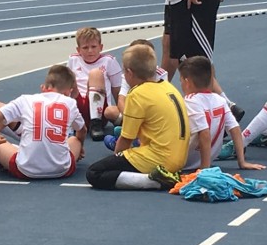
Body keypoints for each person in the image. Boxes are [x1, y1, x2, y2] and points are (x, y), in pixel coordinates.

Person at [85, 44, 190, 191]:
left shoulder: (138, 94)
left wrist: (117, 158)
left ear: (129, 72)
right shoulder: (168, 87)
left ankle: (155, 181)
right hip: (179, 158)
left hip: (159, 159)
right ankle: (161, 175)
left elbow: (126, 139)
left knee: (94, 172)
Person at [0, 65, 86, 179]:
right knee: (74, 139)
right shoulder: (70, 102)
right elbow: (82, 130)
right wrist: (80, 146)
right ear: (68, 92)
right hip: (61, 170)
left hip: (26, 170)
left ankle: (17, 154)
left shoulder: (25, 99)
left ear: (44, 87)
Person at [175, 56, 264, 172]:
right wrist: (242, 161)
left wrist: (205, 170)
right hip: (206, 159)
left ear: (187, 82)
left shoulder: (190, 101)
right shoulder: (220, 100)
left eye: (181, 81)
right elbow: (235, 129)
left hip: (184, 162)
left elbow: (205, 134)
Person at [65, 27, 123, 141]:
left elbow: (118, 91)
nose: (90, 51)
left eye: (93, 47)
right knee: (63, 76)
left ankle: (95, 124)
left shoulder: (109, 61)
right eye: (85, 47)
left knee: (95, 73)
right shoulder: (73, 59)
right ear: (78, 50)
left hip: (100, 110)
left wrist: (119, 113)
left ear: (101, 47)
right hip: (78, 109)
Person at [104, 39, 166, 124]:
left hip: (153, 114)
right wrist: (130, 119)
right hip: (134, 113)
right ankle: (132, 127)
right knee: (110, 111)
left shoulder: (161, 75)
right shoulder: (128, 74)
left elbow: (162, 103)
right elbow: (121, 100)